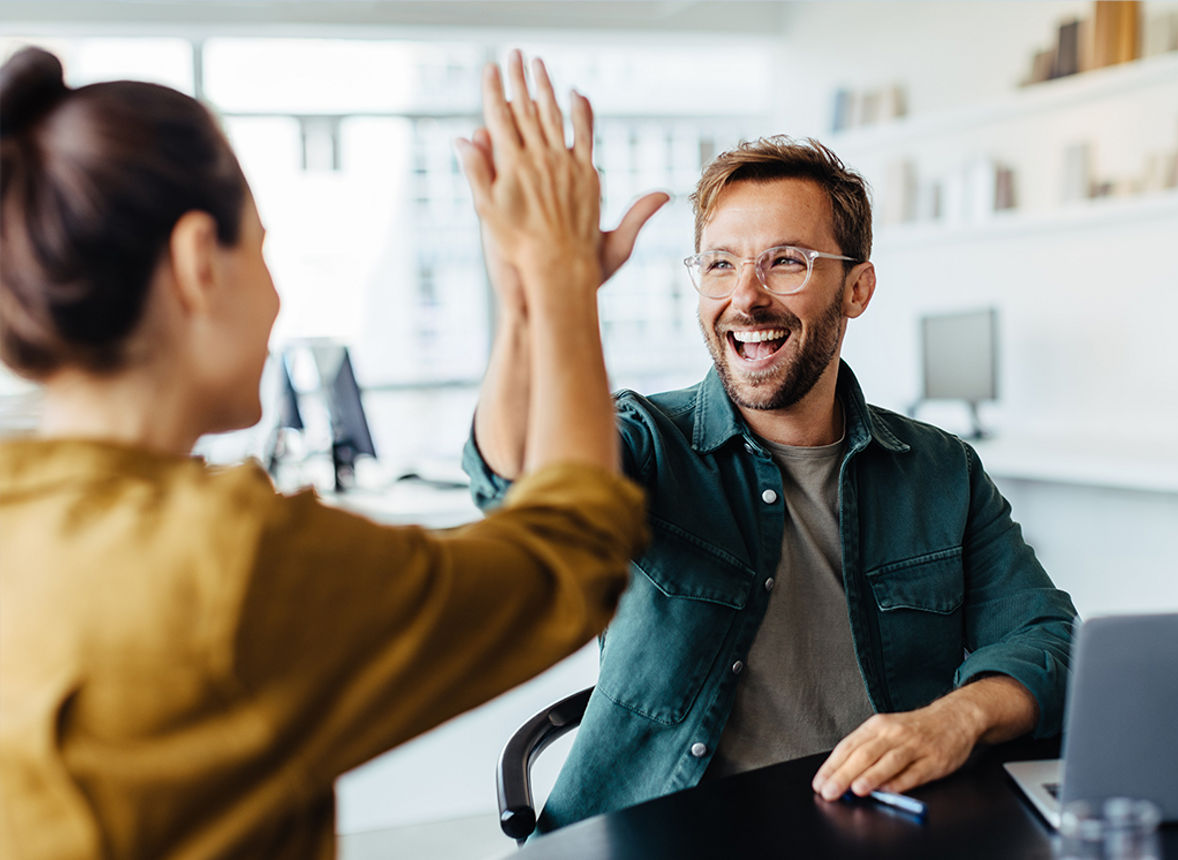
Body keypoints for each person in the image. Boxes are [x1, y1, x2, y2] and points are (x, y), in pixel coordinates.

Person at [0, 46, 648, 858]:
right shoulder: (225, 562)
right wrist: (559, 279)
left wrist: (527, 303)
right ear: (199, 262)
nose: (276, 297)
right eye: (263, 250)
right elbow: (570, 557)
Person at [463, 133, 1079, 833]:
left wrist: (957, 718)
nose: (745, 298)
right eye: (720, 265)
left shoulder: (941, 470)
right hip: (659, 836)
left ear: (857, 289)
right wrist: (532, 300)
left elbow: (1048, 638)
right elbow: (512, 480)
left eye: (785, 262)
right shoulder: (644, 443)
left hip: (871, 831)